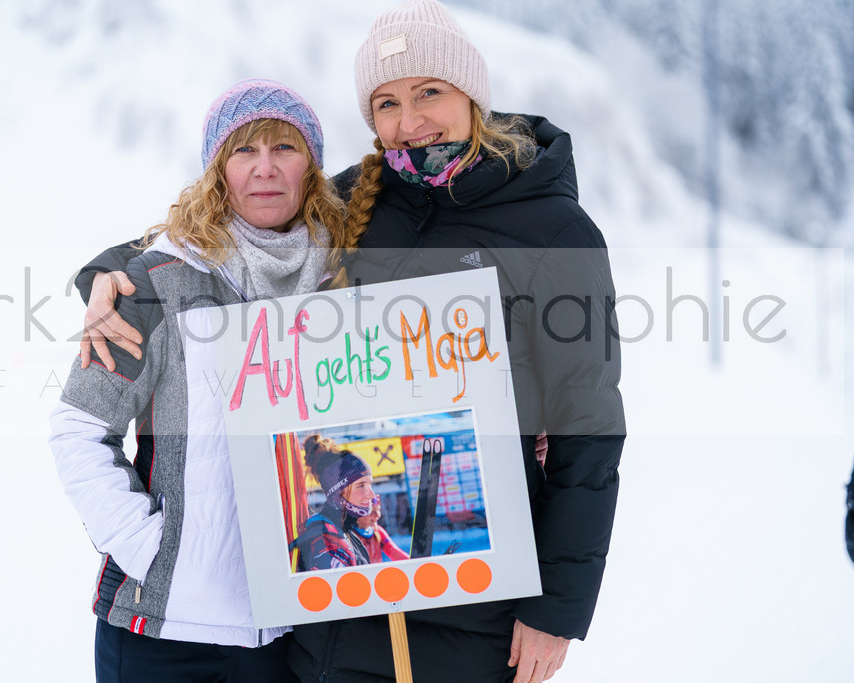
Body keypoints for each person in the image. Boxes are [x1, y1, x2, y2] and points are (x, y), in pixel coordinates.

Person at [75, 1, 625, 681]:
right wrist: (108, 272)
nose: (410, 119)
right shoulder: (356, 203)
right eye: (387, 102)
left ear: (472, 95)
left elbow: (589, 431)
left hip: (473, 601)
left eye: (430, 91)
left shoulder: (554, 231)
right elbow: (220, 227)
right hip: (332, 604)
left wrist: (558, 610)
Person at [49, 78, 346, 682]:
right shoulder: (159, 281)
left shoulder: (342, 282)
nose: (265, 169)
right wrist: (147, 548)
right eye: (244, 151)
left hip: (284, 633)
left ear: (312, 168)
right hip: (161, 629)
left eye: (284, 149)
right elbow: (78, 427)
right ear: (218, 170)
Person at [291, 435, 376, 571]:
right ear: (337, 492)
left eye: (370, 484)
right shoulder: (327, 539)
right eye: (361, 485)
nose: (371, 494)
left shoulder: (342, 530)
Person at [354, 496, 411, 564]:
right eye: (372, 512)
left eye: (378, 510)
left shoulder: (377, 531)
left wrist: (415, 563)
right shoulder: (349, 536)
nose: (378, 515)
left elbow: (395, 553)